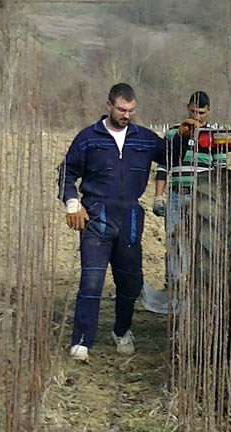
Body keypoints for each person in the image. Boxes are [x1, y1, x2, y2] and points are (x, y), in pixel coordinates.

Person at [57, 83, 166, 362]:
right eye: (121, 109)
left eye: (130, 111)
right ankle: (81, 341)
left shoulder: (145, 139)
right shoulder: (88, 138)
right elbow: (66, 173)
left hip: (130, 217)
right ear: (108, 106)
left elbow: (172, 155)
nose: (126, 115)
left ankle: (121, 330)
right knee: (92, 281)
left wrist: (188, 133)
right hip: (97, 216)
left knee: (130, 283)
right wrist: (72, 203)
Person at [143, 91, 226, 314]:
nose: (196, 116)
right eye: (193, 111)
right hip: (177, 194)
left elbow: (220, 171)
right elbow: (164, 166)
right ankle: (173, 288)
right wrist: (158, 197)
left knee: (202, 242)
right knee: (174, 241)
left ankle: (201, 288)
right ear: (187, 107)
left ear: (208, 111)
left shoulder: (214, 136)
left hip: (203, 198)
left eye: (201, 113)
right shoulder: (174, 132)